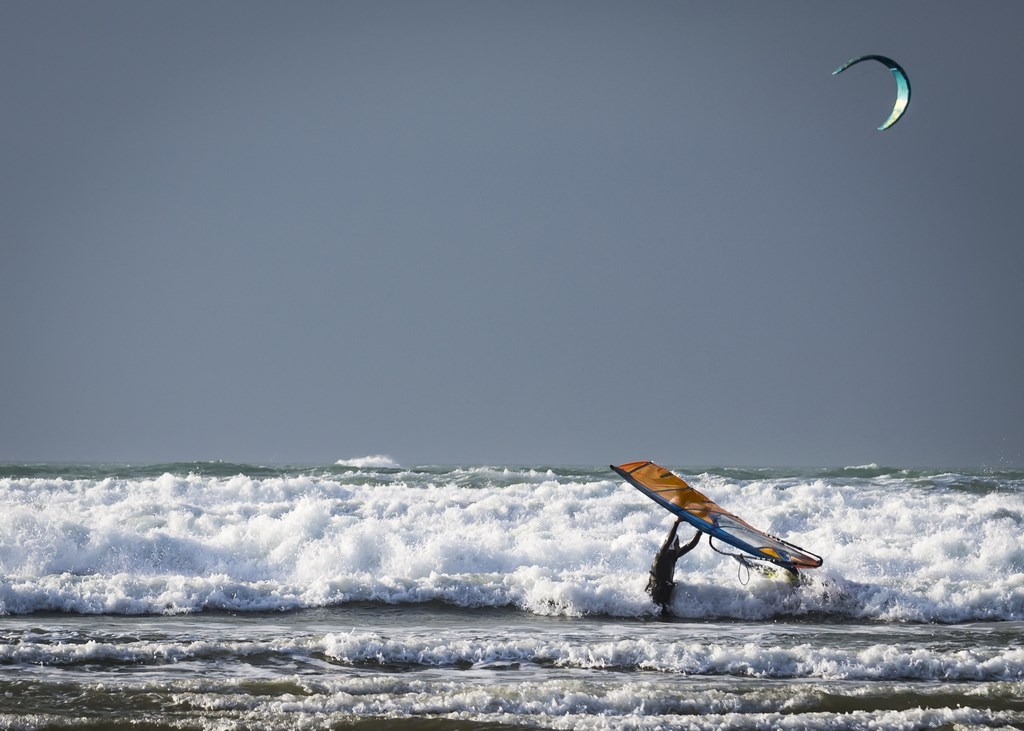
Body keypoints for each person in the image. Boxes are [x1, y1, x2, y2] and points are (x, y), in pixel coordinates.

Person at [647, 517, 702, 614]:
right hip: (657, 590)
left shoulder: (673, 556)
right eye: (678, 544)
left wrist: (700, 531)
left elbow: (690, 546)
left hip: (665, 590)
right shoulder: (661, 555)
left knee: (665, 614)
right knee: (660, 614)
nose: (679, 546)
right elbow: (668, 541)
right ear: (672, 546)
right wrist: (677, 522)